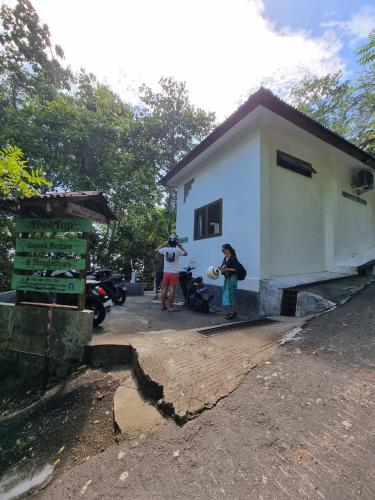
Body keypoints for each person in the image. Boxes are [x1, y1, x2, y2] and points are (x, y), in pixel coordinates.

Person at [156, 235, 187, 311]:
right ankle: (170, 307)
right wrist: (180, 245)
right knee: (172, 289)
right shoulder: (177, 250)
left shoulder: (165, 249)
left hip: (166, 272)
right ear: (176, 243)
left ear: (168, 242)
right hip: (174, 273)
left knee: (164, 289)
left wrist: (164, 243)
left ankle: (163, 306)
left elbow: (156, 250)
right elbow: (186, 253)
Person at [221, 243, 239, 320]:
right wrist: (222, 268)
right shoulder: (225, 258)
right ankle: (233, 311)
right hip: (227, 277)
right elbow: (222, 267)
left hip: (233, 277)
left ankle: (232, 312)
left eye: (223, 250)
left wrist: (227, 269)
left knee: (231, 294)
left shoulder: (233, 258)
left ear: (227, 249)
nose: (222, 251)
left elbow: (236, 269)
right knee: (228, 294)